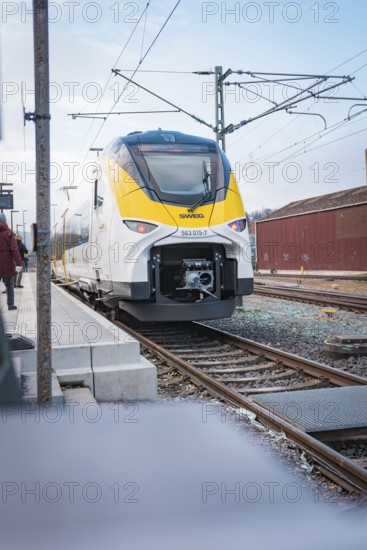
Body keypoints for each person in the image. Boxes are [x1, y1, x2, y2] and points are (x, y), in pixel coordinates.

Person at [0, 213, 22, 310]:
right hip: (7, 264)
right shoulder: (9, 233)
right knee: (9, 285)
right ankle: (10, 305)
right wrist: (19, 263)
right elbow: (14, 250)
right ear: (5, 221)